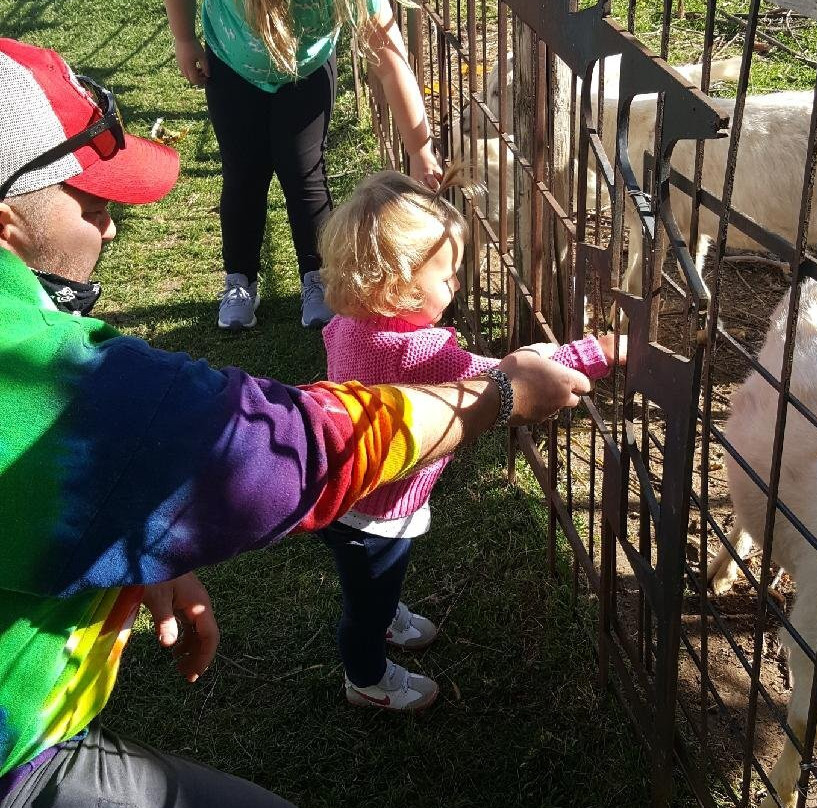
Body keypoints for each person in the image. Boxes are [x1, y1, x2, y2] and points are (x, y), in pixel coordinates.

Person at [0, 39, 591, 807]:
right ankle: (368, 675)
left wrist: (127, 535)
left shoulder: (346, 323)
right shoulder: (51, 375)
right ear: (9, 221)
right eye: (95, 201)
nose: (111, 227)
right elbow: (275, 449)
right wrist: (502, 397)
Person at [317, 167, 625, 711]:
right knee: (364, 604)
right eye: (447, 275)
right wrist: (593, 353)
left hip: (351, 488)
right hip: (376, 511)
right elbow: (509, 376)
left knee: (373, 585)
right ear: (399, 284)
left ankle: (385, 614)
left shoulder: (345, 325)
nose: (455, 285)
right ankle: (365, 676)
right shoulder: (418, 352)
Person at [163, 0, 442, 331]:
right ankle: (240, 277)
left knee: (304, 171)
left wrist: (420, 150)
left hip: (307, 71)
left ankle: (317, 276)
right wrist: (184, 39)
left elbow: (391, 63)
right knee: (243, 173)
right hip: (232, 64)